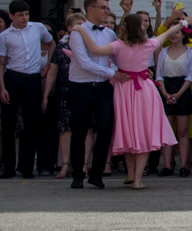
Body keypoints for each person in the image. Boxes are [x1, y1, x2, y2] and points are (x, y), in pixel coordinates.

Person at [79, 11, 185, 189]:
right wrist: (184, 22)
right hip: (145, 89)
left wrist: (82, 30)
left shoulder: (119, 45)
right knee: (142, 132)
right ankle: (136, 179)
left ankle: (129, 174)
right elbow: (168, 31)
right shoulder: (149, 44)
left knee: (128, 131)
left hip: (124, 88)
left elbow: (94, 50)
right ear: (141, 27)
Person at [0, 0, 53, 180]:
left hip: (32, 77)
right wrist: (2, 87)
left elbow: (51, 44)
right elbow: (0, 63)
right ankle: (9, 167)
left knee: (31, 123)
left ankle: (27, 166)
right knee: (8, 123)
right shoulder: (4, 36)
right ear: (11, 16)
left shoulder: (37, 28)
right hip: (13, 76)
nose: (24, 18)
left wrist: (47, 64)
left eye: (26, 14)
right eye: (20, 15)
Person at [66, 0, 119, 188]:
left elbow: (117, 56)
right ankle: (78, 174)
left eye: (107, 7)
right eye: (102, 7)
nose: (106, 11)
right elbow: (84, 63)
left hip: (103, 87)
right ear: (90, 9)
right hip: (81, 86)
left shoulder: (110, 34)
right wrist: (112, 72)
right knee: (79, 132)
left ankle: (96, 174)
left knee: (105, 129)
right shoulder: (77, 33)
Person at [158, 23, 192, 176]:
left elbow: (190, 76)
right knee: (167, 130)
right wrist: (165, 93)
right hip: (166, 88)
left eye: (177, 32)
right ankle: (168, 165)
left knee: (182, 130)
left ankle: (183, 165)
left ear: (183, 35)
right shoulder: (163, 52)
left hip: (182, 89)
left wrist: (179, 94)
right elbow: (159, 75)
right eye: (171, 32)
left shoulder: (190, 52)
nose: (174, 35)